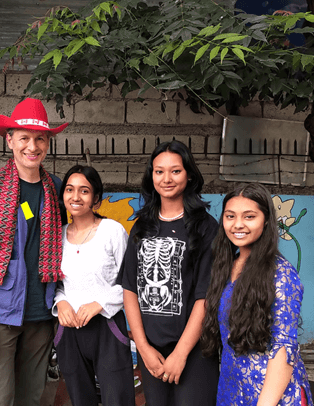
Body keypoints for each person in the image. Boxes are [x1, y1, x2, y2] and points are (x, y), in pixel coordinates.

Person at [0, 98, 68, 406]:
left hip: (41, 314)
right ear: (9, 140)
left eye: (39, 139)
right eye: (24, 138)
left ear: (47, 143)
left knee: (30, 399)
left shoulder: (57, 189)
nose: (32, 146)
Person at [117, 140, 220, 406]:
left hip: (194, 350)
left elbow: (205, 296)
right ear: (151, 176)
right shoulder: (142, 226)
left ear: (189, 175)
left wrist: (182, 353)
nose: (166, 178)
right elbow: (130, 289)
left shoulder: (205, 227)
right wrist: (143, 347)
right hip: (151, 349)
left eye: (175, 171)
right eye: (159, 171)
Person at [201, 183, 313, 406]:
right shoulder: (227, 266)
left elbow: (284, 350)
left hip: (272, 396)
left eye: (249, 216)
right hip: (231, 390)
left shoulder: (281, 274)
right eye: (230, 216)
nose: (238, 224)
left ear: (266, 221)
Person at [53, 165, 135, 406]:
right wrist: (61, 302)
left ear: (96, 200)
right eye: (69, 189)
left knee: (117, 398)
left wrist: (99, 303)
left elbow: (130, 280)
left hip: (107, 327)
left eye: (84, 191)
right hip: (69, 330)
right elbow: (55, 282)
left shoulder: (112, 231)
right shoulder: (58, 235)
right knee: (80, 398)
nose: (75, 197)